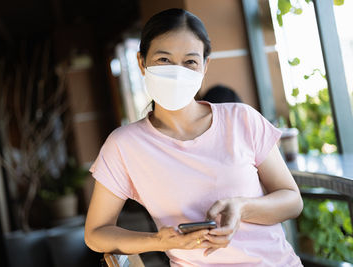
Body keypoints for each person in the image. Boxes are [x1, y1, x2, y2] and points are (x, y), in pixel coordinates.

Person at [85, 8, 303, 267]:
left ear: (204, 66)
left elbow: (291, 200)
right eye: (164, 60)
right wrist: (160, 241)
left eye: (189, 61)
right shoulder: (124, 145)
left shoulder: (242, 119)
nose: (177, 72)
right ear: (142, 62)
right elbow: (96, 233)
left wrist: (242, 207)